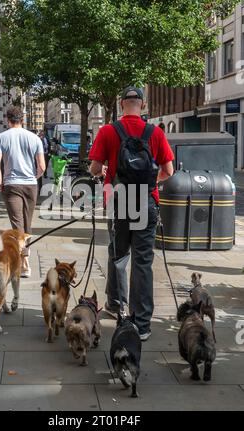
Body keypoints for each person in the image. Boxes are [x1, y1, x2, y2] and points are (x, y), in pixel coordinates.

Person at [89, 86, 174, 341]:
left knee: (118, 255)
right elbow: (169, 171)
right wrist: (148, 184)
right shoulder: (155, 133)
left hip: (119, 201)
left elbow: (94, 168)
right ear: (143, 104)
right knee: (143, 262)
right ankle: (143, 323)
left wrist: (102, 172)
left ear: (120, 103)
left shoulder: (108, 131)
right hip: (146, 202)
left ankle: (116, 305)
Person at [0, 106, 45, 278]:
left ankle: (24, 262)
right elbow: (42, 167)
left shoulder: (1, 138)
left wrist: (1, 184)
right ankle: (25, 259)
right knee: (27, 224)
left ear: (8, 120)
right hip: (30, 185)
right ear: (22, 120)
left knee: (17, 225)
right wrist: (33, 178)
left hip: (11, 184)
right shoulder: (34, 138)